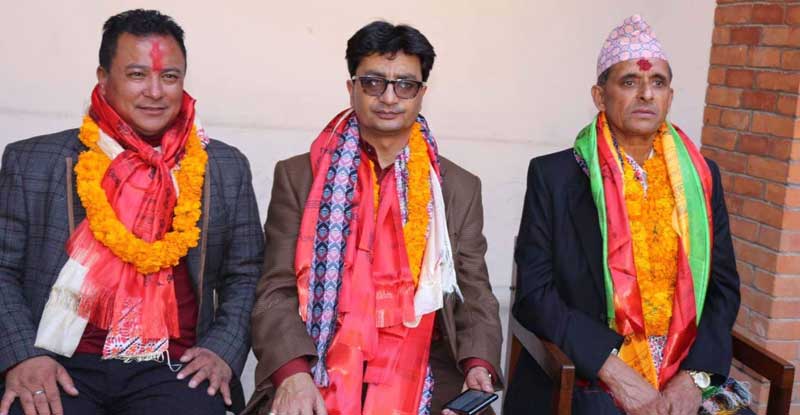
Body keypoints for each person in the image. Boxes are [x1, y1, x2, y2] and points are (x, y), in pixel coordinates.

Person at [0, 9, 263, 415]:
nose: (155, 92)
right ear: (103, 79)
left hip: (174, 366)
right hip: (60, 362)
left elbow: (245, 274)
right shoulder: (33, 160)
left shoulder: (224, 166)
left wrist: (221, 351)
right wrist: (23, 356)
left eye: (170, 76)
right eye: (137, 75)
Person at [245, 21, 503, 415]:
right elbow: (276, 290)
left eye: (405, 85)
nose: (389, 97)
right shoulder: (300, 177)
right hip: (317, 359)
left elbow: (474, 293)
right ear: (351, 88)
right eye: (373, 83)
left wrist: (478, 365)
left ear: (422, 94)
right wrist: (293, 373)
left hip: (426, 366)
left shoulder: (456, 188)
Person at [504, 15, 751, 415]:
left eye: (658, 83)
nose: (646, 94)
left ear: (670, 96)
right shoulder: (556, 176)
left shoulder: (702, 178)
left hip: (683, 365)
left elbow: (723, 288)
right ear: (599, 96)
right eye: (630, 82)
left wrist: (693, 378)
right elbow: (535, 295)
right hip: (591, 367)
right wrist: (614, 371)